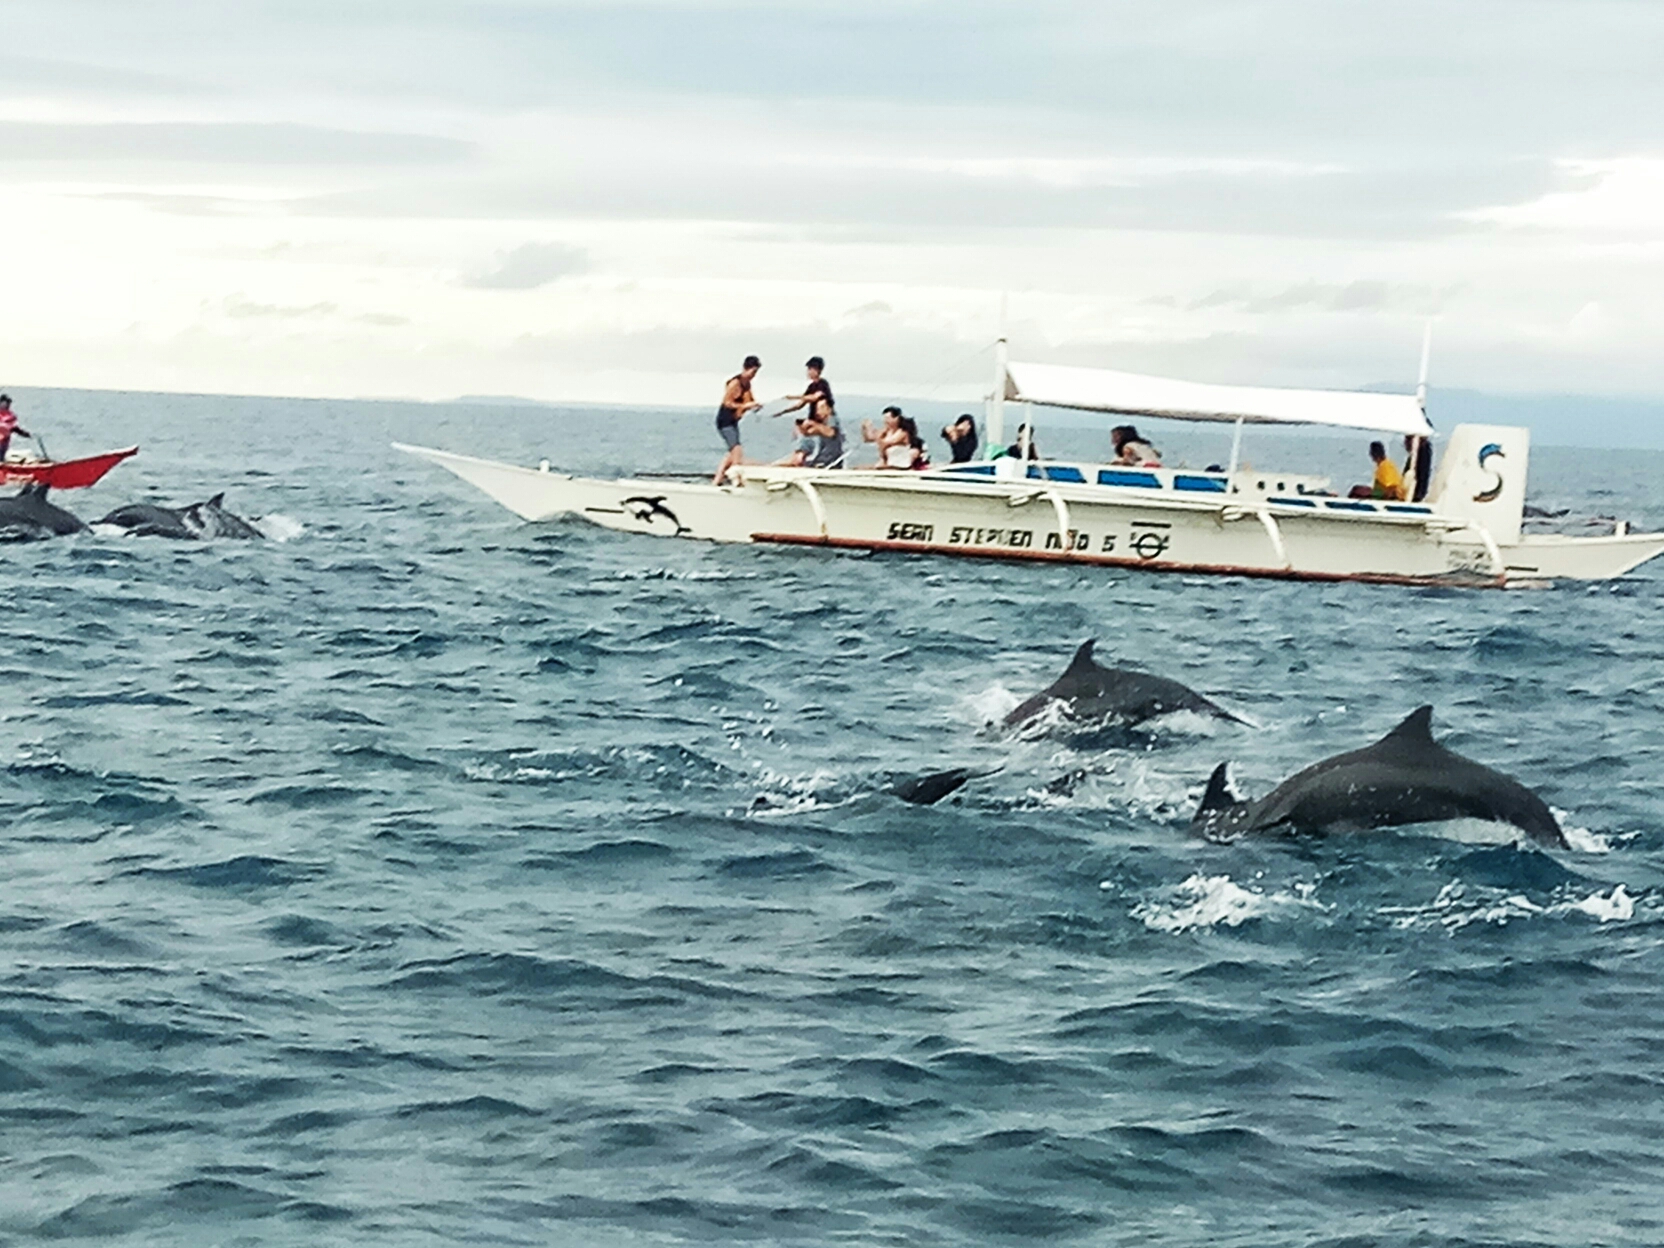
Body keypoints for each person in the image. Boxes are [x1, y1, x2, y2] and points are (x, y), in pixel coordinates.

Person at [713, 357, 762, 484]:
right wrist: (744, 406)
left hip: (734, 422)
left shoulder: (747, 385)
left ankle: (718, 479)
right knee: (737, 450)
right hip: (725, 421)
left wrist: (755, 406)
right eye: (752, 372)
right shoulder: (735, 383)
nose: (753, 376)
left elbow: (750, 400)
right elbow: (727, 403)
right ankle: (735, 479)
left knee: (732, 452)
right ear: (746, 369)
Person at [0, 394, 31, 461]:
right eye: (6, 402)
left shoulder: (11, 415)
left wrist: (24, 433)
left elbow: (14, 428)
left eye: (9, 402)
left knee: (1, 455)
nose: (8, 404)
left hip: (4, 441)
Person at [1403, 434, 1433, 502]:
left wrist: (1418, 495)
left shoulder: (1423, 452)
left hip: (1415, 495)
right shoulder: (1414, 456)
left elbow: (1423, 473)